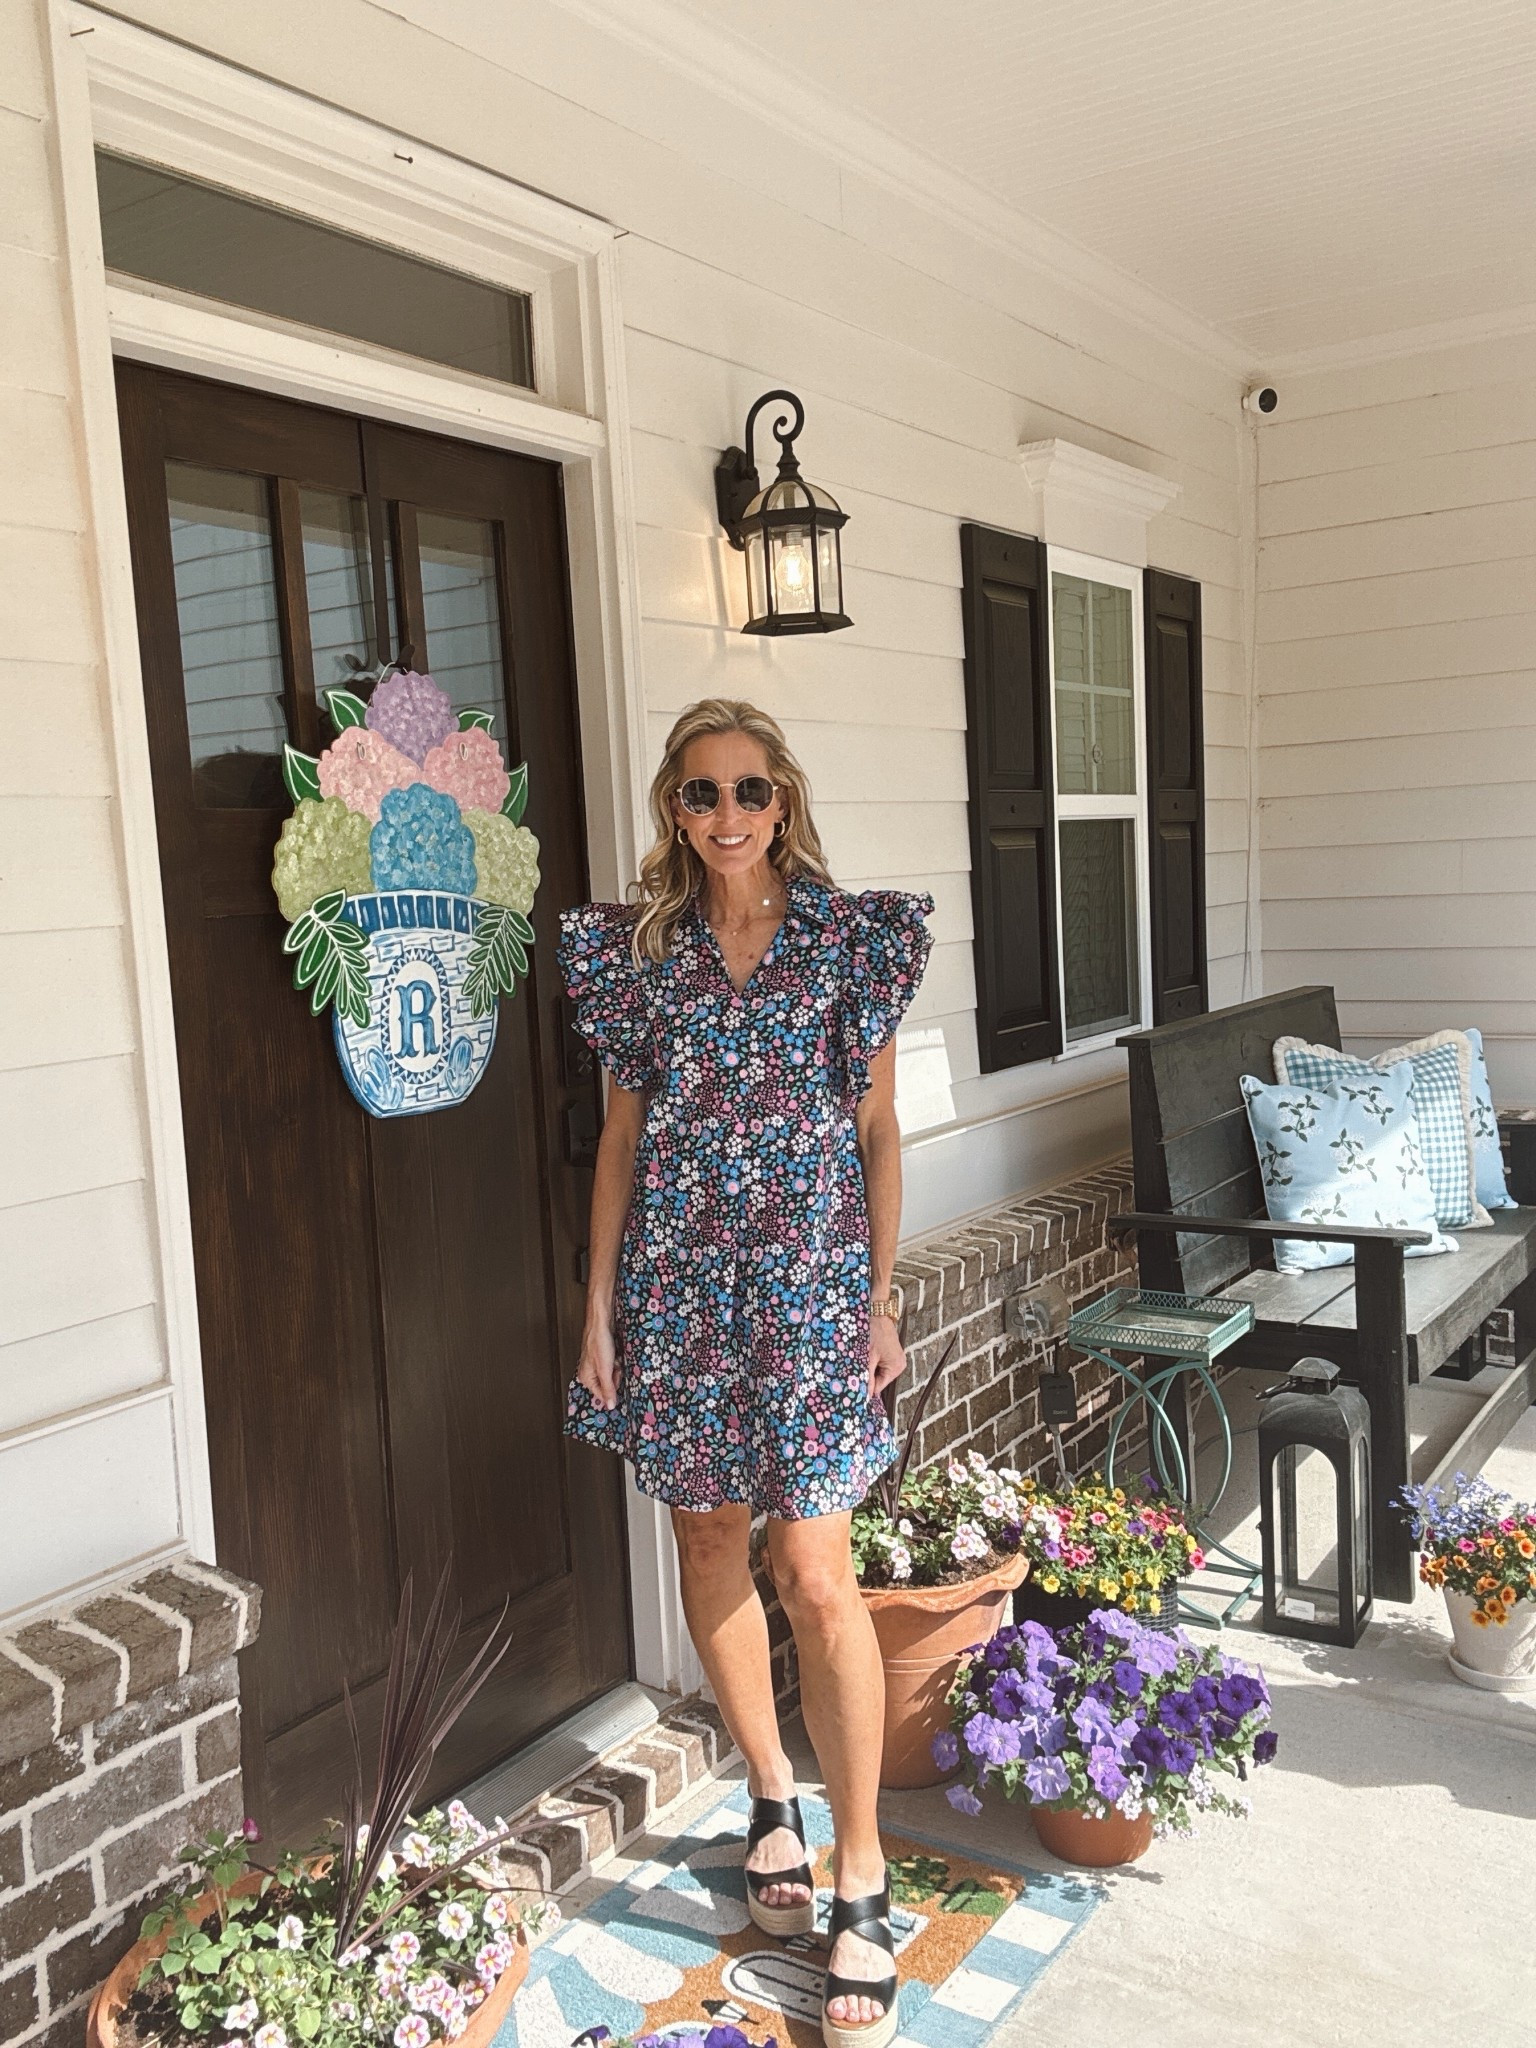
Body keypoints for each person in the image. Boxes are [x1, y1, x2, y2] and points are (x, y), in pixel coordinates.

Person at [557, 698, 933, 2048]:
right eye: (702, 793)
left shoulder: (848, 942)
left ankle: (861, 1872)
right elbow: (620, 1142)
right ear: (675, 807)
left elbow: (877, 1132)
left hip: (810, 1291)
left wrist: (878, 1297)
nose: (727, 815)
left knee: (817, 1574)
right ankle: (771, 1792)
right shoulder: (642, 957)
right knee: (709, 1539)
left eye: (750, 791)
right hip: (678, 1292)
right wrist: (600, 1309)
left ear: (785, 801)